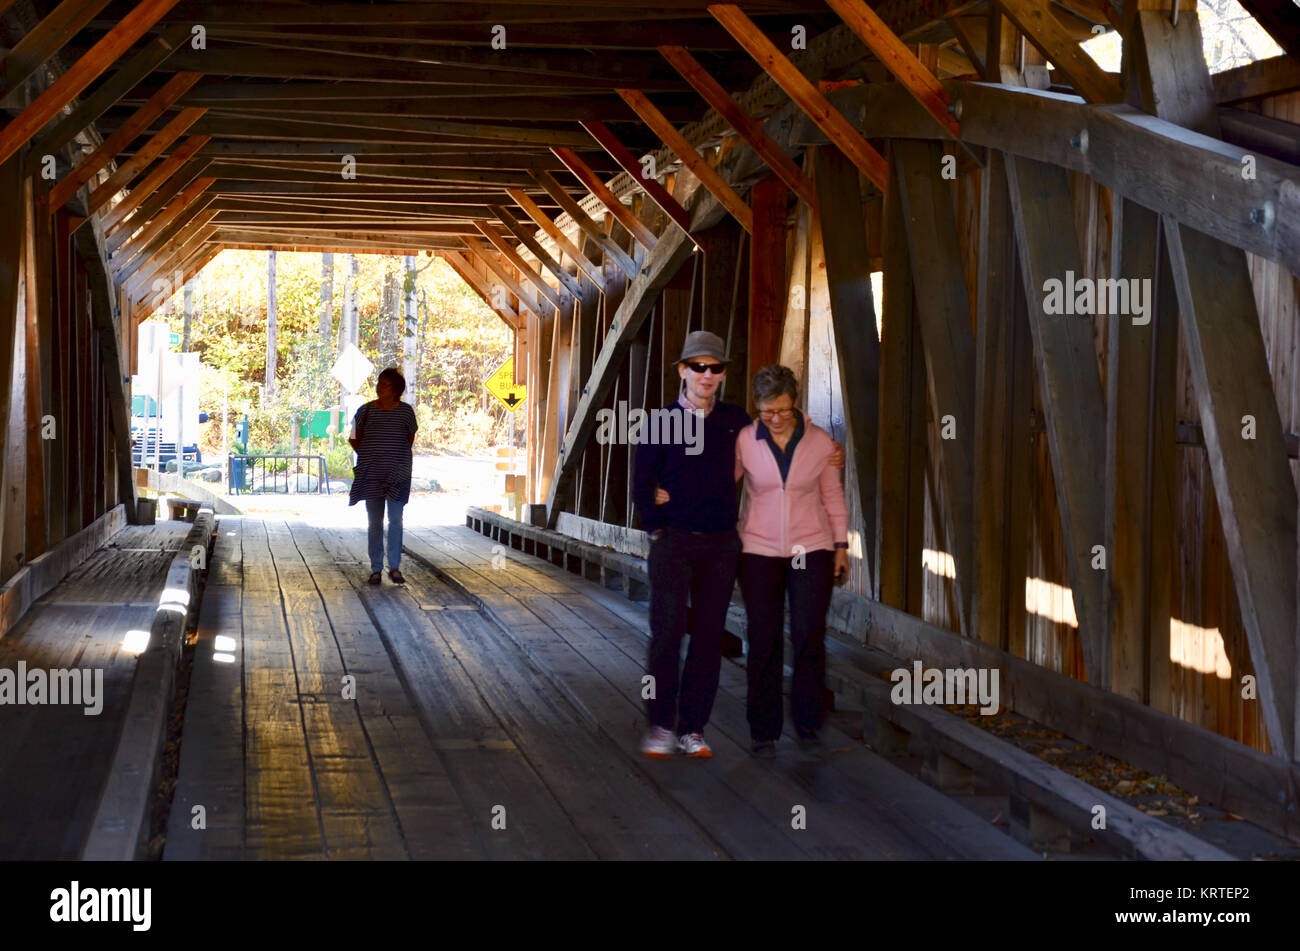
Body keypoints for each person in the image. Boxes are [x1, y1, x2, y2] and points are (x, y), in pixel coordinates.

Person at [632, 331, 751, 758]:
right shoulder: (660, 422)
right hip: (673, 543)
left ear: (722, 374)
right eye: (697, 366)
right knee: (665, 633)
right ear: (682, 370)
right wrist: (657, 528)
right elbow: (641, 483)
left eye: (715, 367)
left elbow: (776, 442)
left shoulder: (736, 421)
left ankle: (693, 728)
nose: (706, 374)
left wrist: (824, 447)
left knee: (706, 637)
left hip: (720, 545)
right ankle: (661, 725)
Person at [733, 365, 848, 756]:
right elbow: (719, 483)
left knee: (807, 634)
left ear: (795, 405)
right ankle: (763, 728)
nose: (776, 419)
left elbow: (832, 497)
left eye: (782, 410)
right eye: (767, 412)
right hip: (759, 552)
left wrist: (841, 546)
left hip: (808, 550)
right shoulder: (745, 441)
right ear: (757, 409)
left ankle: (808, 722)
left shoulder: (820, 444)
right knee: (763, 637)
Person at [348, 367, 418, 585]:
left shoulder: (406, 412)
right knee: (374, 522)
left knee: (396, 520)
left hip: (398, 474)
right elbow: (353, 438)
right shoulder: (365, 411)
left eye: (385, 384)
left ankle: (394, 567)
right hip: (372, 474)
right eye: (379, 383)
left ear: (396, 388)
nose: (380, 387)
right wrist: (370, 455)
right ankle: (376, 568)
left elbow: (409, 438)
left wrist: (392, 458)